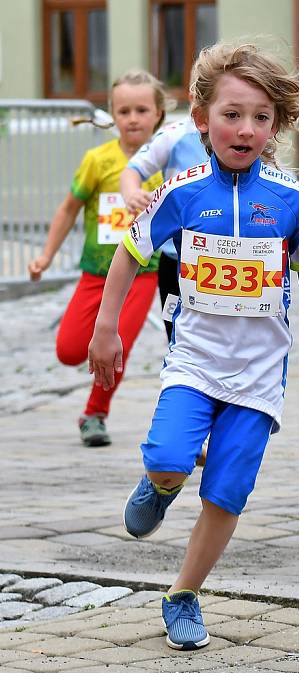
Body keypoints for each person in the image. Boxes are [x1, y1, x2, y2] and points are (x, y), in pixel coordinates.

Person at [88, 42, 299, 651]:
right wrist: (107, 330)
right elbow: (130, 254)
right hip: (194, 360)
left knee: (228, 490)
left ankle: (183, 594)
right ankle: (159, 484)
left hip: (260, 375)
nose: (247, 128)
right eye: (233, 114)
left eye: (262, 117)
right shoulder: (180, 190)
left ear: (276, 126)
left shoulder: (291, 199)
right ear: (202, 118)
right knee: (169, 456)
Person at [28, 71, 169, 447]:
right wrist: (44, 256)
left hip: (143, 272)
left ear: (158, 113)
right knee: (69, 350)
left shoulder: (167, 162)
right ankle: (92, 400)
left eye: (142, 109)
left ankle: (95, 413)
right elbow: (68, 208)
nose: (133, 118)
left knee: (117, 344)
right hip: (97, 271)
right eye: (124, 110)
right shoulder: (98, 160)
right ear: (112, 114)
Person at [121, 114, 208, 341]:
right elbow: (133, 170)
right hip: (176, 260)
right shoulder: (174, 134)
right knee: (177, 340)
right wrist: (131, 193)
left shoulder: (247, 134)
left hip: (228, 259)